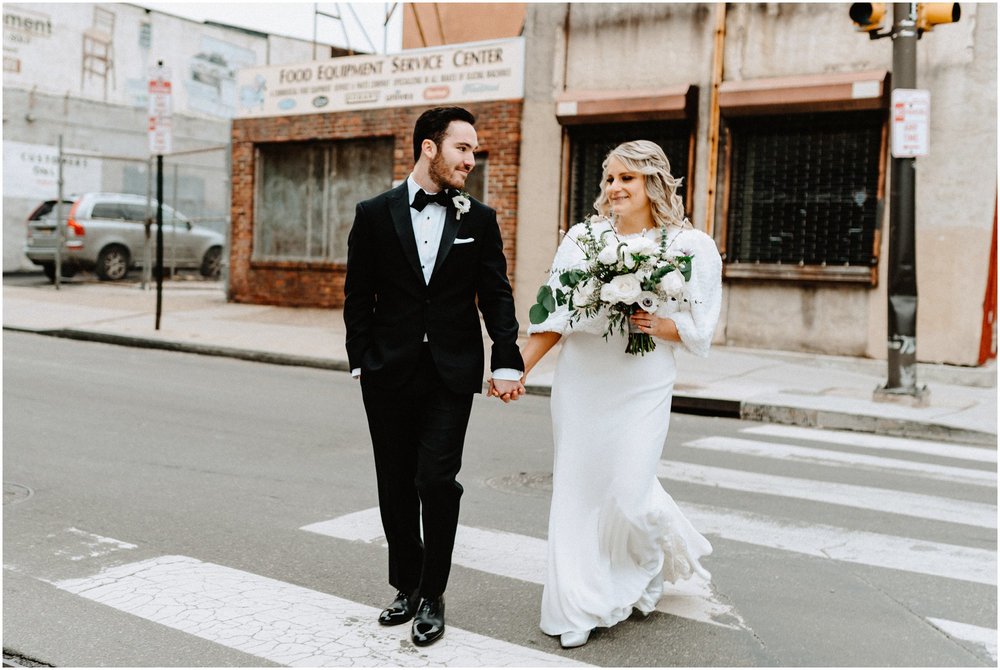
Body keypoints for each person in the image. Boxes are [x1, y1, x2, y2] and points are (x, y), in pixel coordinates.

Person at [519, 140, 722, 649]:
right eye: (609, 178)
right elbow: (555, 313)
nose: (613, 188)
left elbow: (702, 328)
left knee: (630, 493)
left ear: (652, 182)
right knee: (579, 490)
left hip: (643, 380)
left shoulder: (690, 246)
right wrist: (514, 369)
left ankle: (645, 564)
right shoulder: (582, 238)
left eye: (625, 179)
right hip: (585, 379)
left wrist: (660, 325)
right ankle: (578, 606)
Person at [343, 106, 525, 647]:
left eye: (474, 150)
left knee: (435, 481)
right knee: (395, 482)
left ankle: (433, 593)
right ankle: (405, 585)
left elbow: (496, 294)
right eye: (462, 148)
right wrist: (361, 359)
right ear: (429, 147)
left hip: (451, 372)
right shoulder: (374, 214)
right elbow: (358, 295)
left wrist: (507, 358)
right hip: (387, 371)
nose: (472, 159)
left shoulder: (480, 219)